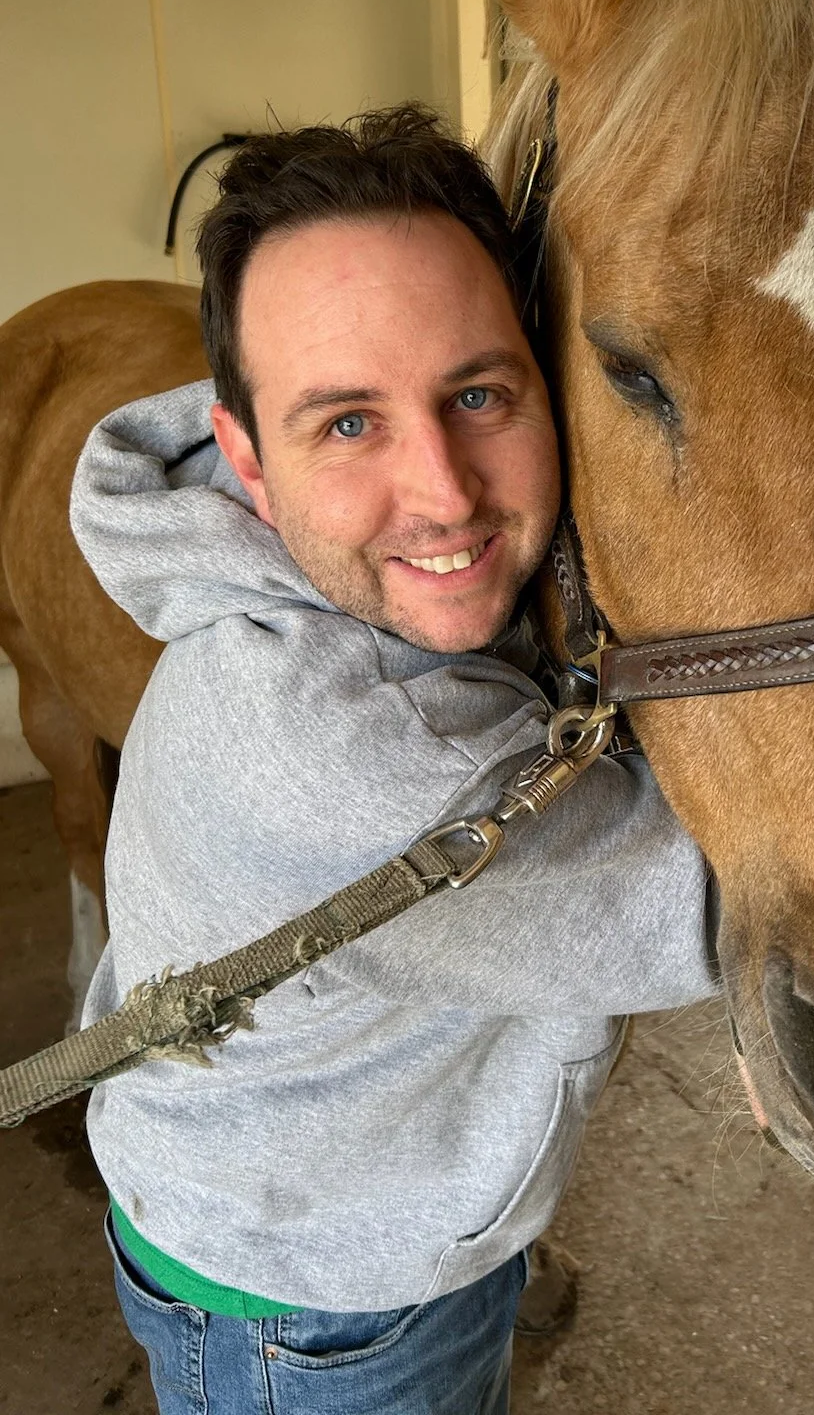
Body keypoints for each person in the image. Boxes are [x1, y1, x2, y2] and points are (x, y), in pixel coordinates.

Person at [69, 105, 718, 1415]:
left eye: (479, 395)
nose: (445, 494)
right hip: (322, 1314)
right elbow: (718, 906)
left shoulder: (275, 574)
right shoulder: (348, 757)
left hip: (270, 1205)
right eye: (348, 425)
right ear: (242, 456)